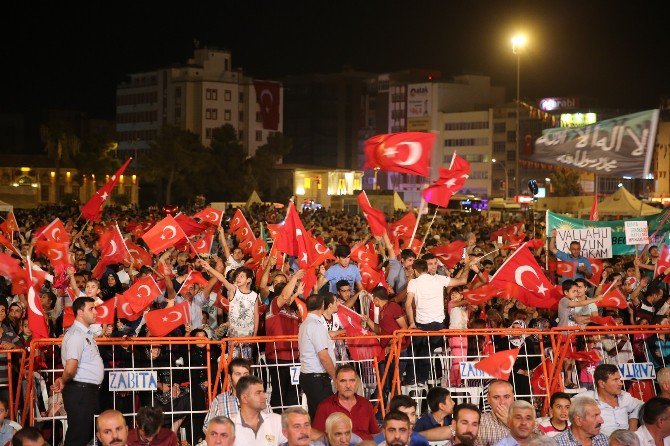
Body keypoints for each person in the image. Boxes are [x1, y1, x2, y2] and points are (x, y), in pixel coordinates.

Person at [404, 259, 473, 385]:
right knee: (424, 348)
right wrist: (468, 265)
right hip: (439, 328)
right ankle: (420, 380)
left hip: (422, 327)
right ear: (426, 268)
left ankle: (412, 379)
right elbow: (463, 281)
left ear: (415, 270)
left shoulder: (413, 282)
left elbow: (408, 304)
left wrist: (411, 323)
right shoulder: (439, 279)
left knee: (415, 349)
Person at [51, 296, 105, 446]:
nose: (95, 312)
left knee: (85, 434)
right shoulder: (76, 334)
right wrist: (63, 379)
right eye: (91, 309)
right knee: (78, 436)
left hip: (86, 391)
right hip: (80, 391)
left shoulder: (85, 334)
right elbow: (70, 367)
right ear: (80, 312)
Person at [312, 364, 379, 440]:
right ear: (336, 384)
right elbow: (315, 435)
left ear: (356, 383)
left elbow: (375, 433)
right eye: (343, 381)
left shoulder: (366, 404)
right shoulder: (325, 406)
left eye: (352, 380)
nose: (348, 385)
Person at [298, 294, 336, 419]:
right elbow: (323, 356)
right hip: (317, 378)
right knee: (327, 416)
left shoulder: (305, 324)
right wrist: (336, 377)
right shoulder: (315, 325)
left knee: (316, 416)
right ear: (323, 306)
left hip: (309, 376)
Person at [585, 364, 642, 436]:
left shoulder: (624, 396)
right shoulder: (587, 399)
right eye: (615, 380)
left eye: (619, 379)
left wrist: (633, 421)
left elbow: (641, 406)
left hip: (628, 440)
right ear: (602, 384)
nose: (620, 383)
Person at [232, 375, 285, 446]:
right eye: (258, 393)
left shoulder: (277, 420)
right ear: (244, 398)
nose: (264, 396)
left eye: (263, 392)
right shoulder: (230, 427)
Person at [203, 358, 252, 432]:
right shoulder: (219, 401)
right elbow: (207, 429)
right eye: (238, 374)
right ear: (229, 377)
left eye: (246, 374)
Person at [476, 380, 515, 446]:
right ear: (488, 399)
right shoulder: (479, 421)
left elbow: (535, 439)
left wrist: (510, 423)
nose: (502, 402)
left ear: (513, 397)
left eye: (506, 397)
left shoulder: (526, 418)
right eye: (496, 397)